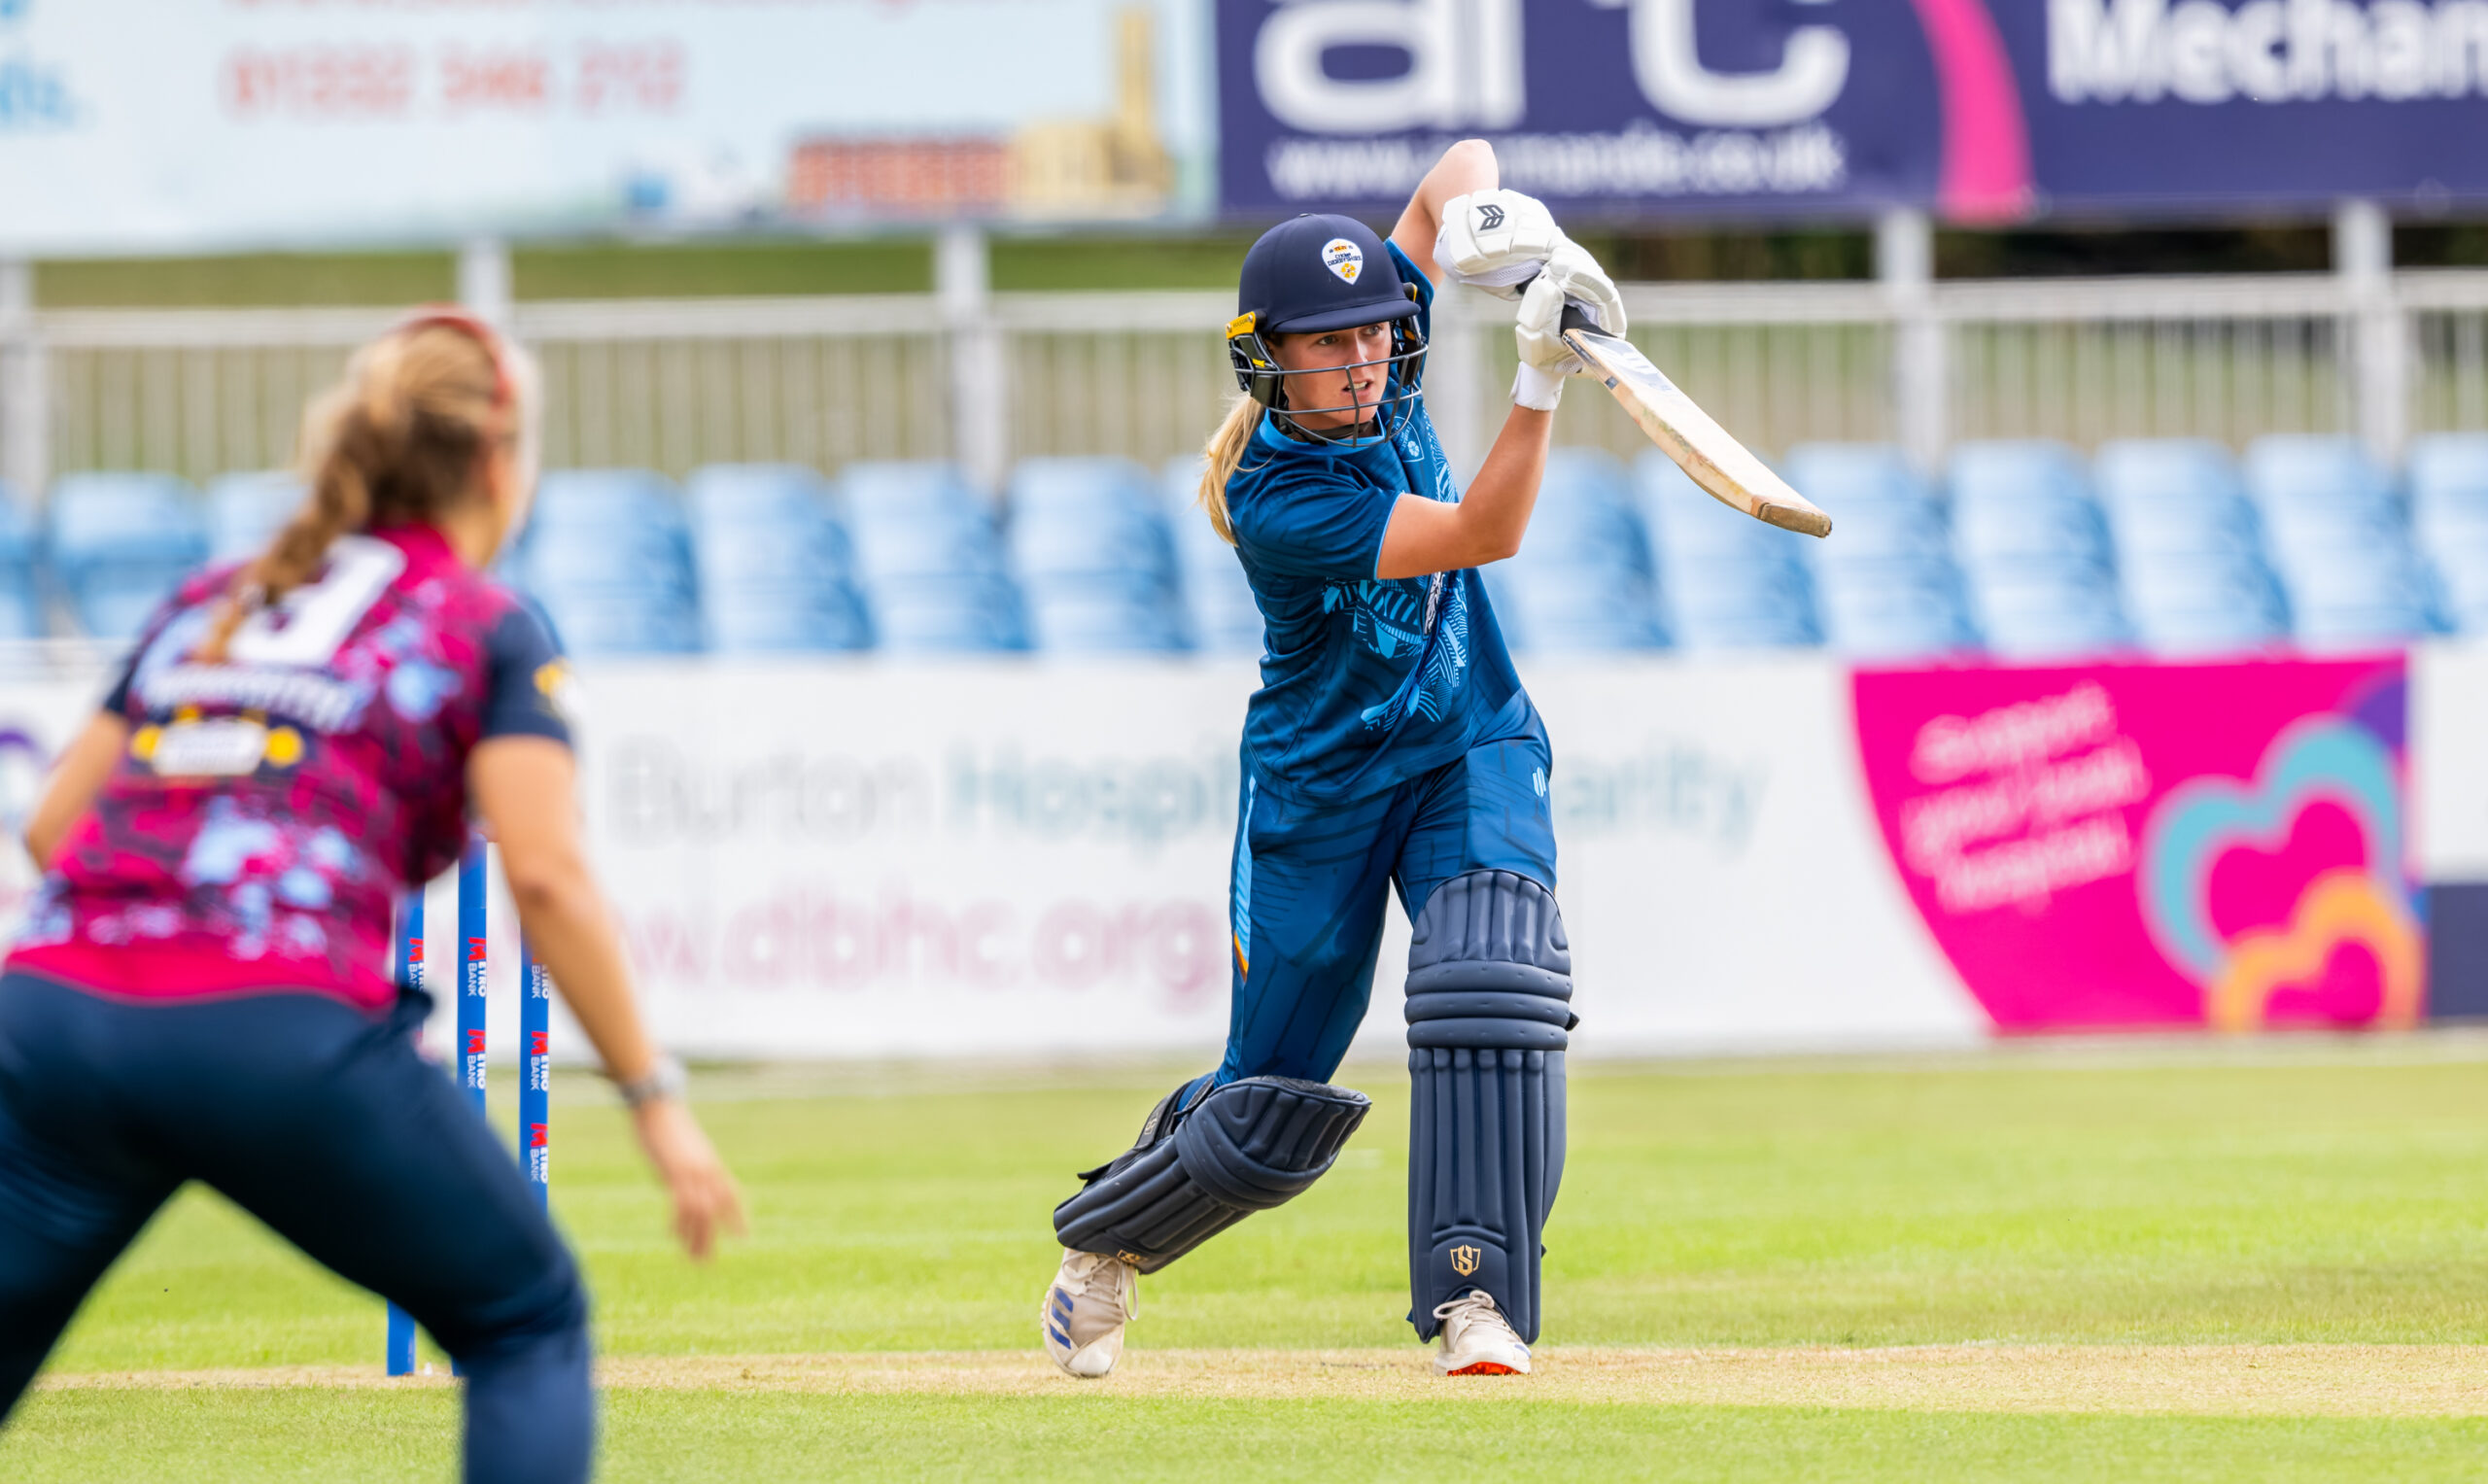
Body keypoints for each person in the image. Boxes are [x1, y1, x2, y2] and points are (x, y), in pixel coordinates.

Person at [0, 310, 743, 1481]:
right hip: (279, 1031)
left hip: (50, 1021)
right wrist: (653, 1098)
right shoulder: (483, 623)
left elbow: (54, 827)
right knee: (525, 1319)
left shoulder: (213, 598)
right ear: (497, 462)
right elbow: (545, 875)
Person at [1042, 140, 1624, 1379]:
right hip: (1321, 795)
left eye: (1374, 334)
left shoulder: (1384, 368)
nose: (1363, 359)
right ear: (1269, 358)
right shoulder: (1280, 500)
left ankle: (1477, 1298)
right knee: (1269, 1109)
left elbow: (1454, 166)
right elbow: (1485, 530)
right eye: (1327, 344)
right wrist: (1538, 377)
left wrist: (1499, 232)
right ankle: (1105, 1240)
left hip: (1467, 741)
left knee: (1491, 975)